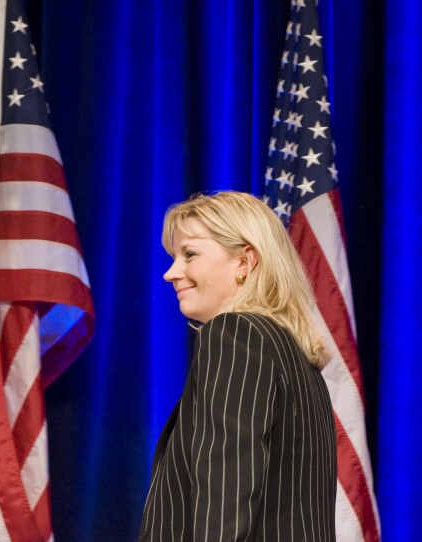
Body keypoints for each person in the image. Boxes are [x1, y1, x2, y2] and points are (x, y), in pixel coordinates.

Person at [138, 191, 337, 541]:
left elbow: (226, 488)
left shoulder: (235, 333)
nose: (171, 273)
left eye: (190, 255)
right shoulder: (291, 351)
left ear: (244, 262)